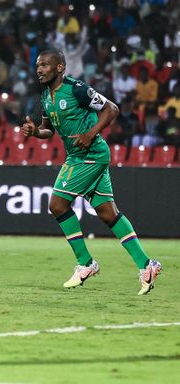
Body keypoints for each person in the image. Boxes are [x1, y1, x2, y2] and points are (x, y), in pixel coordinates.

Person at [20, 50, 162, 295]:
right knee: (108, 214)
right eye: (37, 65)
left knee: (57, 205)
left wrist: (90, 133)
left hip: (91, 155)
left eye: (45, 65)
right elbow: (48, 130)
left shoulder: (77, 89)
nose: (39, 69)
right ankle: (147, 264)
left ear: (60, 67)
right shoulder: (45, 95)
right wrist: (35, 132)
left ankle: (86, 263)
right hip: (78, 156)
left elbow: (112, 109)